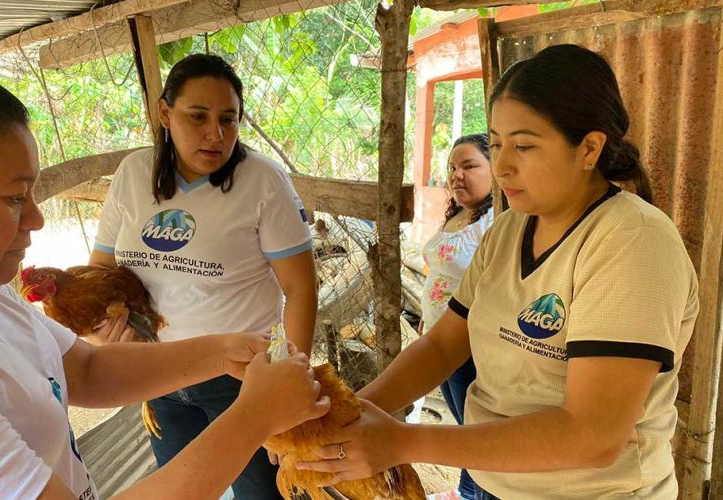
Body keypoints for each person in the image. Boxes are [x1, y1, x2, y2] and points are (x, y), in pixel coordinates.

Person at [297, 44, 699, 500]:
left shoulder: (632, 241)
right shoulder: (509, 229)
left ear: (589, 148)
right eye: (498, 143)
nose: (503, 165)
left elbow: (594, 435)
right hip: (493, 481)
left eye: (524, 145)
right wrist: (351, 414)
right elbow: (444, 343)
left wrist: (402, 440)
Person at [0, 67, 330, 500]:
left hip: (226, 377)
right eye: (15, 197)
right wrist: (255, 417)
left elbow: (86, 370)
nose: (37, 218)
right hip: (181, 387)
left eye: (228, 119)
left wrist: (222, 350)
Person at [88, 53, 318, 498]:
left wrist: (293, 373)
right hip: (157, 372)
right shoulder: (134, 174)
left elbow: (300, 286)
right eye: (198, 117)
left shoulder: (262, 182)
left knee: (262, 492)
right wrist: (107, 331)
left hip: (240, 377)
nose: (216, 134)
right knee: (181, 488)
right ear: (164, 113)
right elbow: (100, 272)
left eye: (228, 120)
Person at [419, 133, 493, 499]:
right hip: (438, 338)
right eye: (452, 167)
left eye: (469, 166)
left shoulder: (497, 222)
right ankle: (467, 490)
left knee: (473, 429)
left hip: (469, 344)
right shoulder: (458, 215)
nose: (456, 175)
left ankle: (475, 493)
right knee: (462, 422)